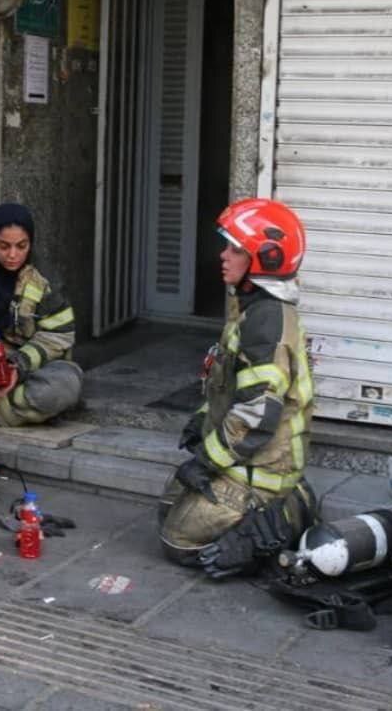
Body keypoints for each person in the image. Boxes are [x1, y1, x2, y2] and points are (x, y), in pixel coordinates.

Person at [158, 198, 317, 578]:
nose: (223, 256)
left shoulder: (265, 323)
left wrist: (204, 462)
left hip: (263, 466)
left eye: (235, 249)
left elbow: (255, 416)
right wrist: (201, 421)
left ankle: (287, 511)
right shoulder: (251, 308)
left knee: (178, 540)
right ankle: (281, 501)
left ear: (266, 258)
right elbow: (228, 388)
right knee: (169, 505)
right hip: (244, 459)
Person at [0, 203, 83, 427]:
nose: (13, 255)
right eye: (3, 246)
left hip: (25, 369)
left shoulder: (45, 280)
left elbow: (59, 336)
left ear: (30, 244)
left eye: (21, 246)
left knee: (65, 386)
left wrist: (19, 365)